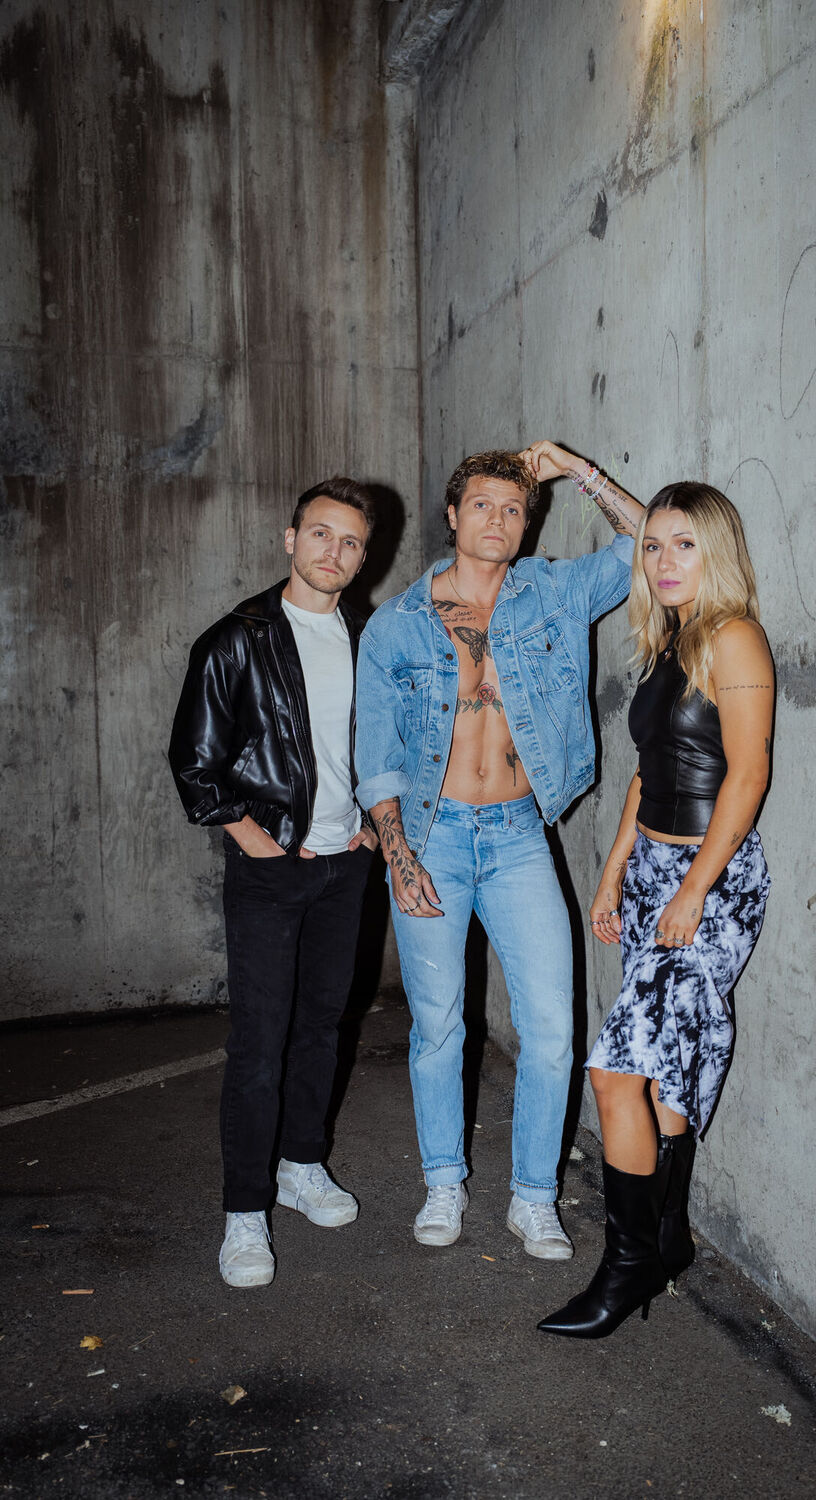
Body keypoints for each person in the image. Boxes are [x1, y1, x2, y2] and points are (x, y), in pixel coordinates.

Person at [354, 444, 644, 1257]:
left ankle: (533, 1197)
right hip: (432, 836)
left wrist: (577, 471)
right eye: (481, 504)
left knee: (552, 1026)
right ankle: (443, 1182)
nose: (498, 519)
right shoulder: (397, 624)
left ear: (527, 523)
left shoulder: (553, 592)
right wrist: (399, 857)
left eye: (514, 508)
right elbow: (376, 753)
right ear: (452, 516)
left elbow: (647, 542)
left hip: (519, 836)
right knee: (438, 1026)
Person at [538, 481, 774, 1338]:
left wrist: (693, 890)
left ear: (717, 551)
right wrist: (613, 876)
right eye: (652, 546)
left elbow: (747, 776)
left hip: (709, 880)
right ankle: (667, 1238)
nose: (664, 561)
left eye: (683, 545)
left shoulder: (734, 636)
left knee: (614, 1074)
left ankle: (628, 1264)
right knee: (666, 1069)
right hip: (654, 873)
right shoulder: (671, 638)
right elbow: (648, 775)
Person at [168, 478, 379, 1288]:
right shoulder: (238, 638)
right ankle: (246, 1212)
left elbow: (384, 742)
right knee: (260, 1041)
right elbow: (194, 761)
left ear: (364, 556)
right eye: (320, 533)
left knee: (322, 1026)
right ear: (292, 539)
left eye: (350, 541)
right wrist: (254, 840)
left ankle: (300, 1165)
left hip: (344, 866)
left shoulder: (368, 637)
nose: (334, 551)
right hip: (270, 870)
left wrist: (371, 824)